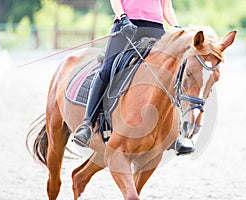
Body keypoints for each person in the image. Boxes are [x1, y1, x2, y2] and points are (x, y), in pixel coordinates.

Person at [73, 0, 194, 155]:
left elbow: (167, 7)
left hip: (156, 28)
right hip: (127, 24)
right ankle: (87, 124)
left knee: (171, 75)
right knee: (107, 69)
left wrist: (176, 28)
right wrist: (123, 18)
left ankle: (173, 134)